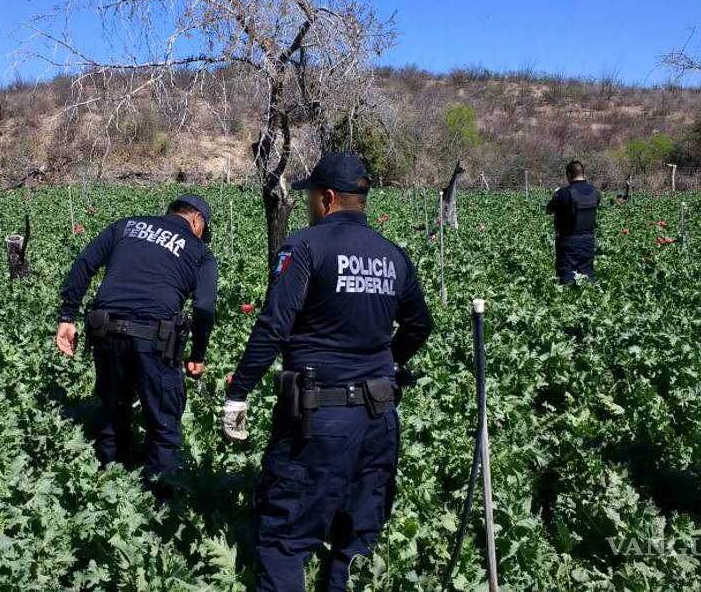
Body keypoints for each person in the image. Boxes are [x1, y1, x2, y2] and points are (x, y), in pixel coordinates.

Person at [222, 152, 432, 592]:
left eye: (311, 196)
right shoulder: (393, 256)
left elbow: (274, 326)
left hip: (319, 420)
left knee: (285, 540)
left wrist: (238, 392)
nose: (308, 205)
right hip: (379, 421)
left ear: (328, 198)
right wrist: (387, 365)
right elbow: (419, 326)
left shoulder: (305, 247)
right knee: (356, 541)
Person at [55, 194, 218, 500]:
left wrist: (67, 316)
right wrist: (197, 354)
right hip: (156, 339)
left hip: (106, 331)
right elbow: (205, 306)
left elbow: (84, 263)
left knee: (112, 410)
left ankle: (106, 492)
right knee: (163, 424)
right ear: (197, 220)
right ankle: (159, 505)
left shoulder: (125, 226)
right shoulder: (200, 251)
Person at [546, 160, 601, 284]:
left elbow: (549, 210)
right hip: (588, 240)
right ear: (583, 173)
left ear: (569, 175)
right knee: (587, 275)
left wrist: (555, 195)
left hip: (568, 241)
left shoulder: (563, 193)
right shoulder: (595, 193)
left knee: (567, 276)